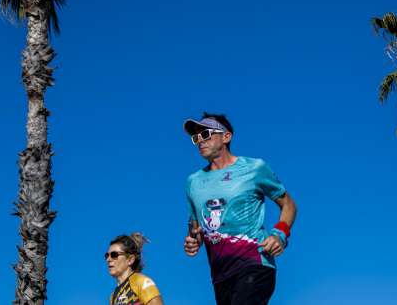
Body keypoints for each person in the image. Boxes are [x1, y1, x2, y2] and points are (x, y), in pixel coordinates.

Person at [183, 113, 297, 305]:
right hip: (221, 276)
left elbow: (289, 205)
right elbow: (196, 226)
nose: (200, 141)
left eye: (206, 134)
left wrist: (279, 235)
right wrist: (194, 240)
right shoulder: (193, 182)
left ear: (226, 137)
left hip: (255, 263)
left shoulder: (254, 168)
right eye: (196, 138)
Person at [106, 232, 164, 305]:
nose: (108, 259)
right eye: (107, 255)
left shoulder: (141, 282)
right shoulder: (113, 296)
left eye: (114, 255)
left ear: (130, 260)